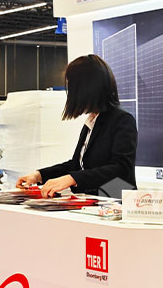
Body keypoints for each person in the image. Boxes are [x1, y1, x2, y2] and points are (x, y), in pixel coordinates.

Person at [17, 54, 137, 197]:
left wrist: (73, 179)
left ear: (86, 88)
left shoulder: (122, 120)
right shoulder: (92, 122)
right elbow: (76, 165)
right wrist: (39, 175)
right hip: (93, 202)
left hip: (115, 202)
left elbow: (121, 168)